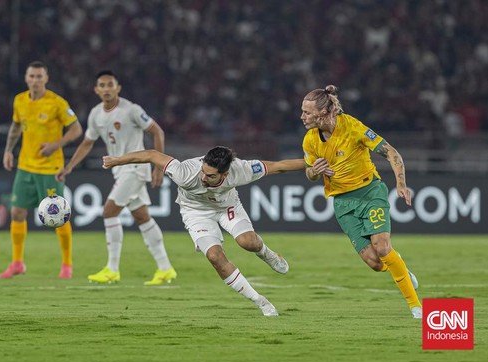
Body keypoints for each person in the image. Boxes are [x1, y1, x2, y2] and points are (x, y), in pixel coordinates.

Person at [102, 146, 305, 316]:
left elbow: (279, 166)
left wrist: (315, 164)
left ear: (225, 174)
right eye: (203, 171)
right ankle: (261, 302)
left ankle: (268, 255)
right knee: (215, 257)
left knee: (247, 242)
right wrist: (116, 160)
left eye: (210, 175)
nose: (203, 178)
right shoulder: (184, 172)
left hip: (228, 207)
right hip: (196, 212)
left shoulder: (240, 169)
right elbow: (151, 154)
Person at [300, 85, 422, 319]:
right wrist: (315, 171)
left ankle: (415, 306)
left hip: (370, 193)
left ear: (324, 112)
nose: (302, 117)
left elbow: (391, 153)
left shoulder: (353, 127)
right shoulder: (309, 141)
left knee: (383, 247)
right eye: (302, 112)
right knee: (375, 263)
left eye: (307, 112)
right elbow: (310, 174)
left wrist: (401, 184)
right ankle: (402, 270)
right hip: (343, 204)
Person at [57, 70, 176, 285]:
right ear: (96, 90)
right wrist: (69, 167)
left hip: (136, 168)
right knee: (142, 217)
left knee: (109, 211)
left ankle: (112, 269)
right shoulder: (95, 114)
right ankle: (166, 268)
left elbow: (157, 132)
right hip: (120, 170)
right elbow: (87, 143)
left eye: (110, 84)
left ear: (117, 88)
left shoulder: (131, 110)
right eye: (102, 85)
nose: (106, 89)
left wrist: (159, 167)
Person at [0, 61, 83, 279]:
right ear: (26, 78)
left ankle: (67, 264)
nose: (35, 80)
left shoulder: (56, 103)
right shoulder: (19, 100)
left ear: (46, 79)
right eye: (32, 76)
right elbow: (17, 126)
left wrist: (56, 145)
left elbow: (76, 129)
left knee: (59, 216)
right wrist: (8, 150)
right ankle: (17, 262)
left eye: (39, 76)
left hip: (50, 169)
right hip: (26, 166)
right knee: (16, 212)